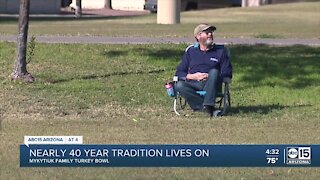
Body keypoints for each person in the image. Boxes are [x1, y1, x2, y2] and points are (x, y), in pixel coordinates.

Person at [175, 24, 232, 116]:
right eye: (207, 33)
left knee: (214, 71)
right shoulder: (191, 52)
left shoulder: (220, 52)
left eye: (211, 32)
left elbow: (227, 72)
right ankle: (208, 108)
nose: (210, 34)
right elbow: (179, 72)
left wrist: (210, 76)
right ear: (198, 36)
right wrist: (193, 76)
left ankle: (207, 106)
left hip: (212, 83)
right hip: (194, 83)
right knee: (179, 85)